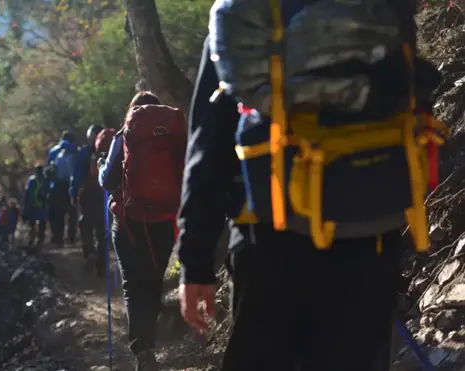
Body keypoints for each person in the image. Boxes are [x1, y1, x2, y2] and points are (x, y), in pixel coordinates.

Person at [176, 14, 441, 369]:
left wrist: (195, 263)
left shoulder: (246, 16)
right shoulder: (373, 9)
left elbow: (209, 147)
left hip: (270, 232)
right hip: (368, 230)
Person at [99, 91, 186, 371]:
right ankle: (150, 345)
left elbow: (108, 179)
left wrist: (101, 165)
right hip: (164, 220)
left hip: (129, 223)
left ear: (132, 112)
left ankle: (143, 350)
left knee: (133, 285)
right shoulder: (173, 138)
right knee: (152, 282)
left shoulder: (125, 135)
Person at [71, 124, 107, 275]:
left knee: (85, 224)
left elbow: (76, 175)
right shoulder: (109, 150)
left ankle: (90, 252)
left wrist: (73, 193)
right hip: (103, 192)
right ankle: (102, 265)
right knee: (102, 228)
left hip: (87, 192)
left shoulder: (83, 152)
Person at [47, 130, 78, 245]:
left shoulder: (53, 151)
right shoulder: (75, 150)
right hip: (71, 185)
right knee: (72, 212)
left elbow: (48, 170)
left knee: (57, 213)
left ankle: (58, 237)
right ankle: (71, 236)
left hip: (56, 186)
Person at [23, 164, 49, 245]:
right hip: (42, 205)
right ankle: (40, 239)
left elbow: (27, 194)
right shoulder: (45, 180)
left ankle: (32, 239)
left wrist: (26, 206)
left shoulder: (32, 180)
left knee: (32, 224)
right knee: (42, 223)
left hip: (33, 205)